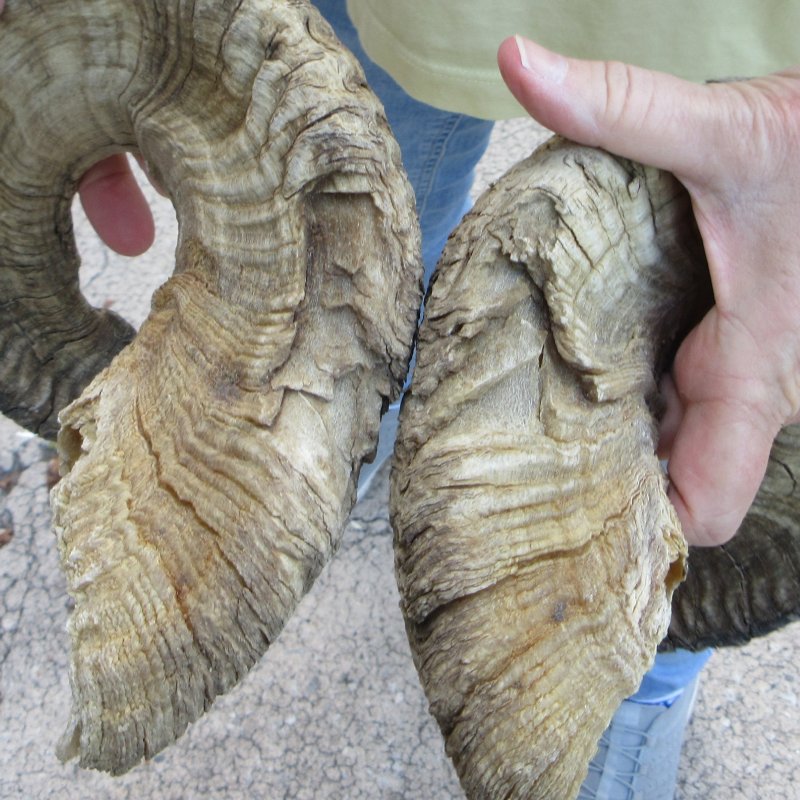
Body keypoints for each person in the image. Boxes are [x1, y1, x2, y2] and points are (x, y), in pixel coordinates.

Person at [6, 1, 798, 796]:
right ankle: (352, 442)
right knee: (365, 236)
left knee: (722, 397)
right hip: (408, 16)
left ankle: (633, 673)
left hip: (736, 31)